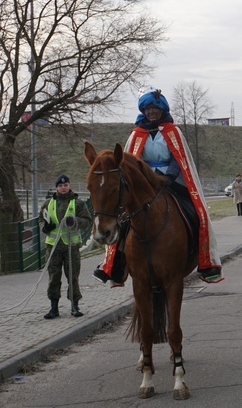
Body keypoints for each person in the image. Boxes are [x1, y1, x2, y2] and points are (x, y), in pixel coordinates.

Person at [93, 88, 223, 284]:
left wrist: (169, 176)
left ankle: (205, 261)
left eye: (155, 108)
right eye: (148, 109)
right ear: (143, 111)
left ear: (162, 110)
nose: (151, 112)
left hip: (171, 182)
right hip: (144, 183)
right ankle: (114, 265)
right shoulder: (136, 134)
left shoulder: (173, 131)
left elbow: (178, 158)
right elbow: (131, 161)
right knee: (123, 218)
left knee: (198, 214)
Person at [39, 174, 92, 319]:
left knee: (73, 277)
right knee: (53, 277)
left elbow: (87, 221)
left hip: (71, 247)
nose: (63, 188)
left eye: (66, 185)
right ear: (56, 187)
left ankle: (75, 306)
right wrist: (46, 227)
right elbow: (41, 219)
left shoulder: (78, 203)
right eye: (60, 186)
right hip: (53, 247)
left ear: (69, 186)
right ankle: (54, 308)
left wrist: (74, 221)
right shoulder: (48, 203)